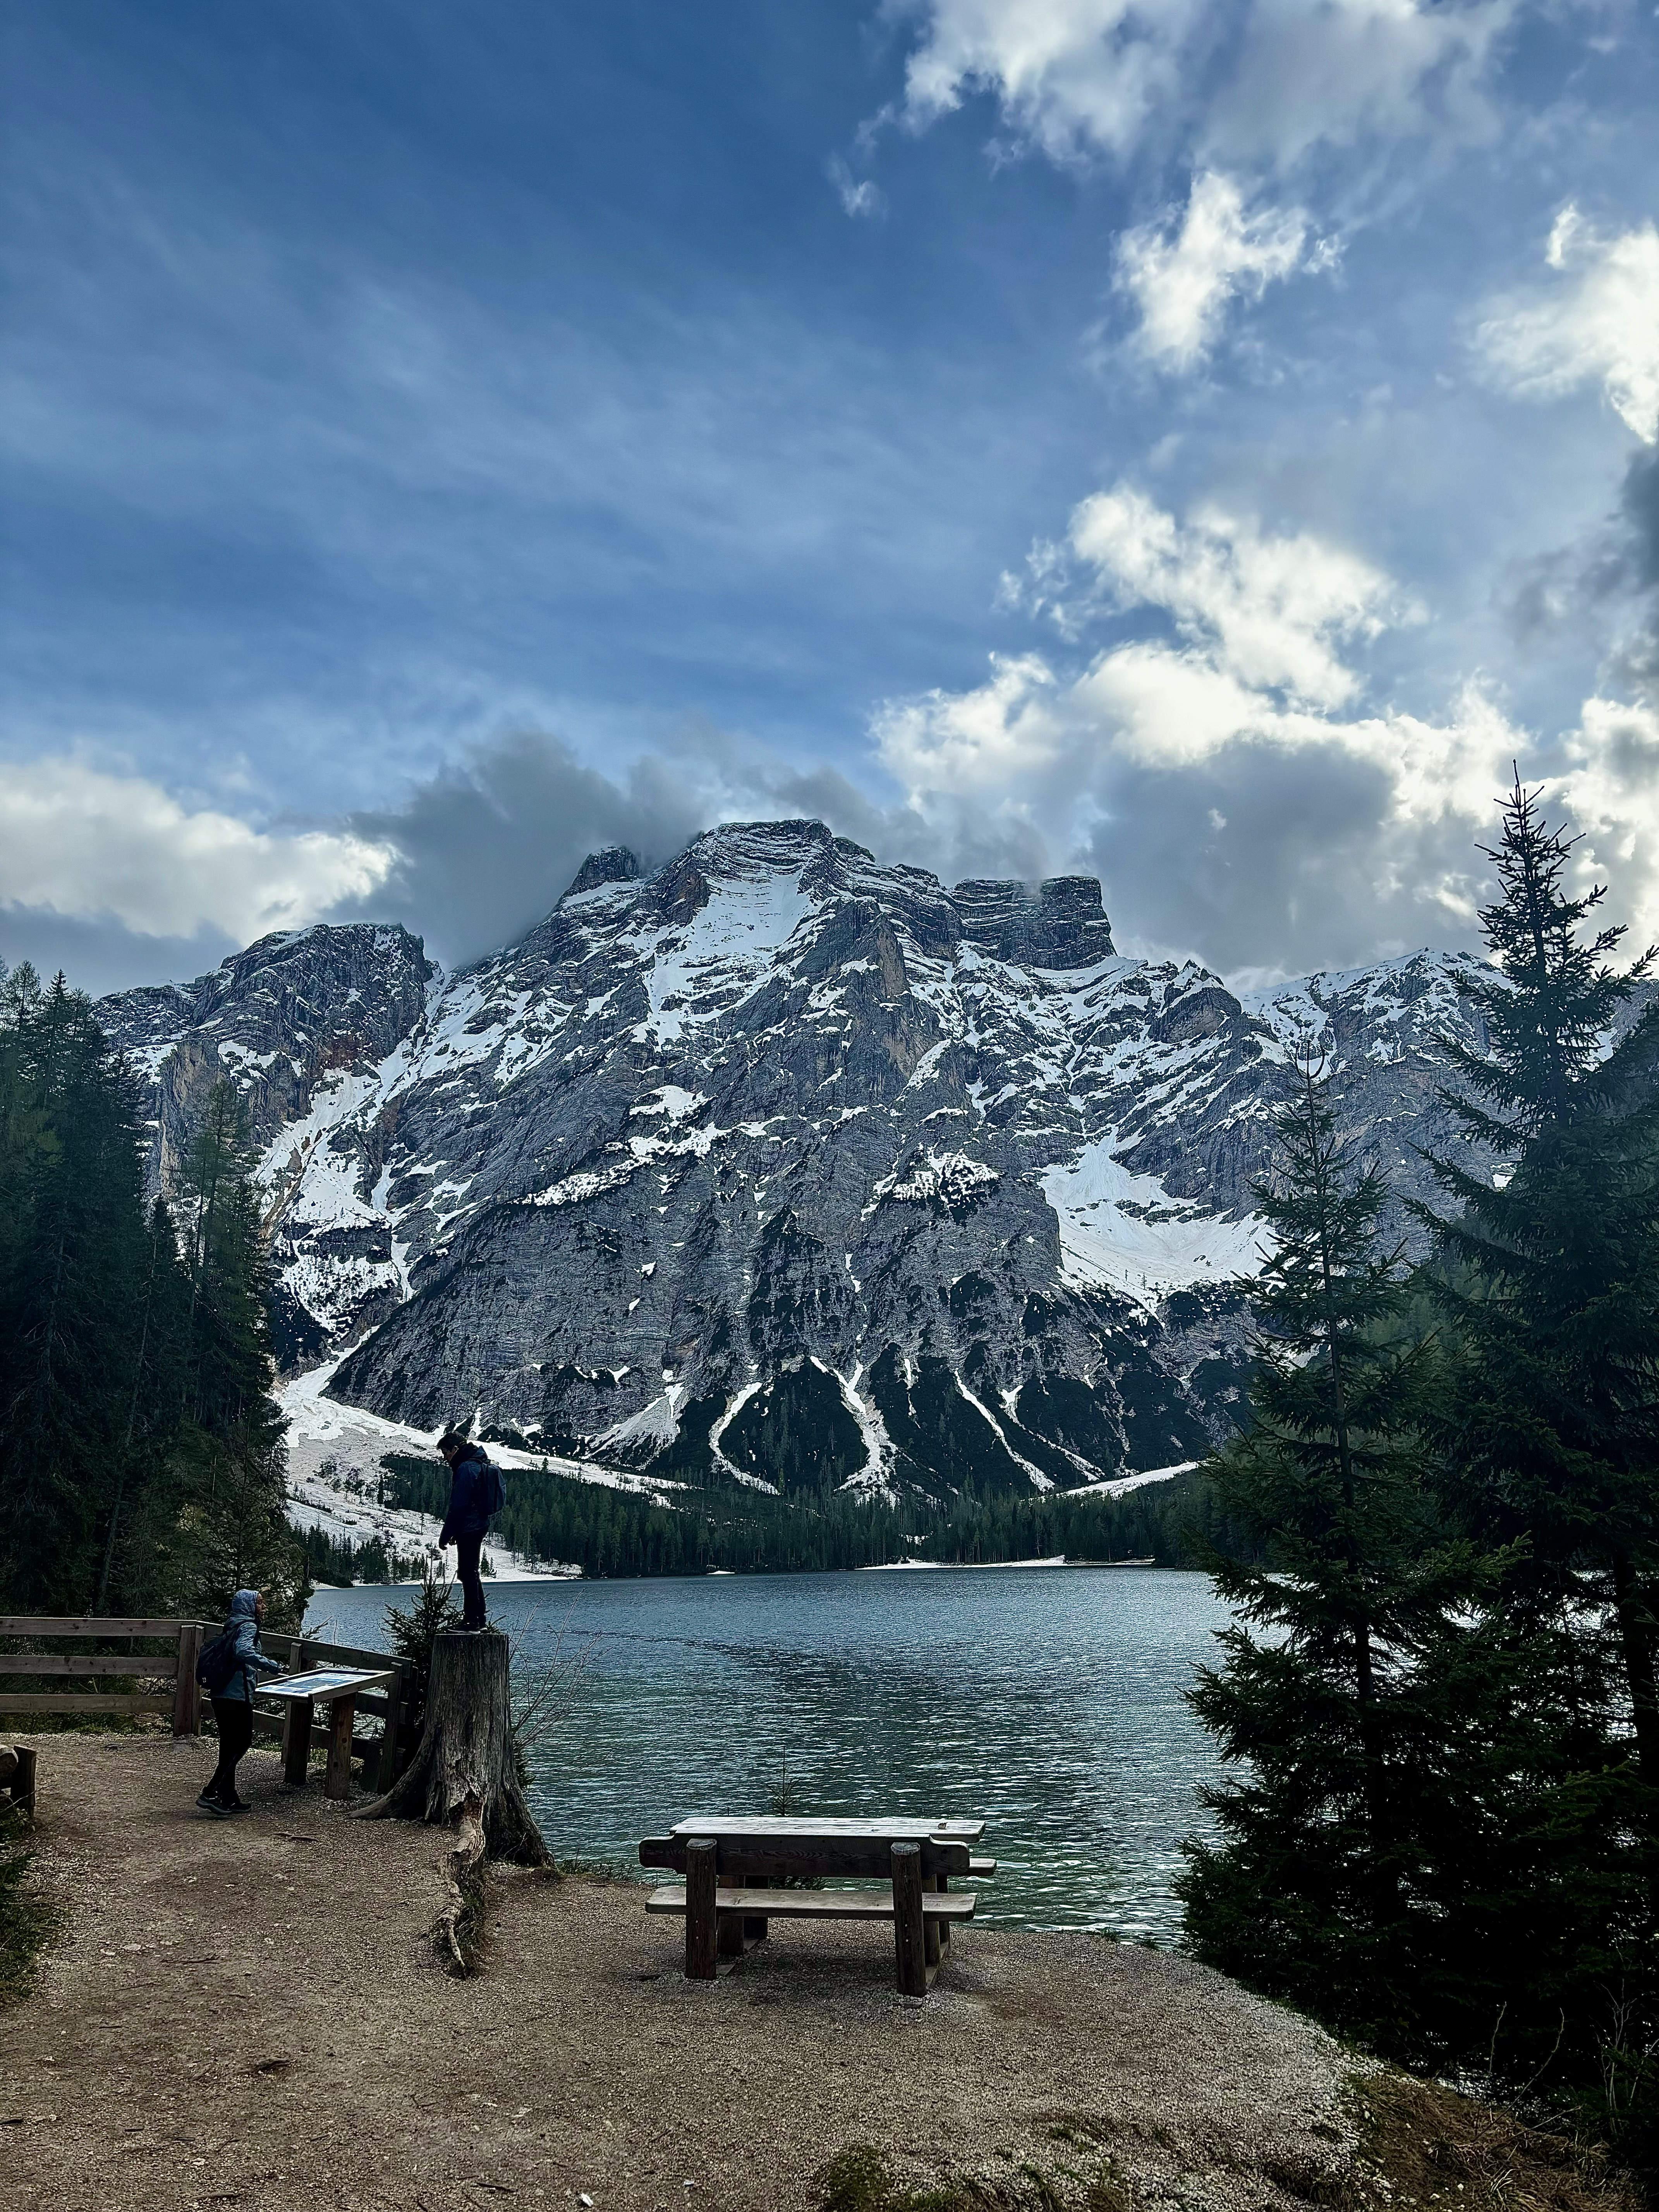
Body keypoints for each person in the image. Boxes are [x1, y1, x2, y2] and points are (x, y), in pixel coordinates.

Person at [198, 1589, 284, 1817]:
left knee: (229, 1745)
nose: (263, 1607)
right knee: (243, 1742)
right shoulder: (248, 1627)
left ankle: (228, 1797)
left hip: (219, 1693)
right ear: (249, 1606)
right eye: (259, 1603)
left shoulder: (231, 1626)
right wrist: (272, 1666)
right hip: (236, 1695)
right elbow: (244, 1651)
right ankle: (211, 1791)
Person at [436, 1432, 496, 1631]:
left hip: (470, 1526)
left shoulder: (466, 1468)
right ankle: (479, 1620)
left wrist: (446, 1534)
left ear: (455, 1450)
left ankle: (472, 1622)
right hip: (478, 1524)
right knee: (470, 1572)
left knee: (467, 1573)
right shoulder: (477, 1463)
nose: (445, 1457)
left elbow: (459, 1506)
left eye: (446, 1452)